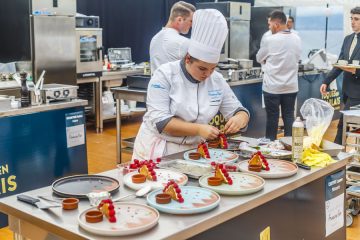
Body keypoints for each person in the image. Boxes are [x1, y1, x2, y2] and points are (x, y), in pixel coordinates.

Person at [132, 9, 250, 161]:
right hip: (160, 148)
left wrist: (241, 118)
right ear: (188, 58)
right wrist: (199, 129)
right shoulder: (164, 75)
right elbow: (161, 121)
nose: (207, 74)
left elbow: (238, 110)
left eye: (212, 68)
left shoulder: (217, 80)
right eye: (202, 68)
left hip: (194, 151)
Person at [256, 10, 301, 141]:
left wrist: (268, 60)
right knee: (288, 116)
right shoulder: (297, 38)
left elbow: (259, 58)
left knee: (272, 117)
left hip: (272, 87)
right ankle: (289, 146)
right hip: (291, 86)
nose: (269, 27)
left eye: (269, 24)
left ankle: (271, 146)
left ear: (276, 24)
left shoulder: (270, 40)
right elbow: (297, 58)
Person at [320, 7, 360, 144]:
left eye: (356, 19)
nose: (353, 22)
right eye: (351, 19)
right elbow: (340, 63)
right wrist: (326, 81)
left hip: (358, 92)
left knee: (342, 125)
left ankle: (337, 158)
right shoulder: (348, 39)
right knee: (345, 125)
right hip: (347, 90)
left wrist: (356, 71)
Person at [149, 1, 195, 73]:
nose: (192, 25)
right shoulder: (183, 42)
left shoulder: (154, 38)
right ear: (179, 20)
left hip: (156, 83)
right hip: (174, 84)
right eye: (191, 21)